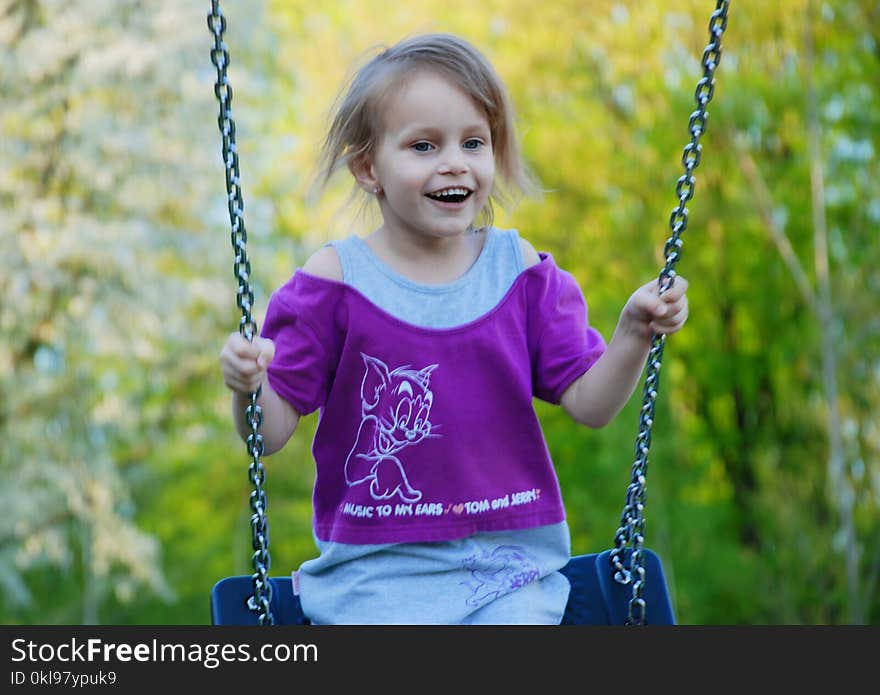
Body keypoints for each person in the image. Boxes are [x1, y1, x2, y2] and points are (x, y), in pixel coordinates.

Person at [220, 33, 688, 625]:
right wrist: (248, 386)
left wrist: (632, 334)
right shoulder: (335, 283)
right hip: (374, 576)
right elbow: (269, 432)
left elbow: (591, 404)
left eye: (474, 142)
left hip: (507, 573)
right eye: (423, 145)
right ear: (368, 167)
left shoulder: (520, 274)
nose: (454, 162)